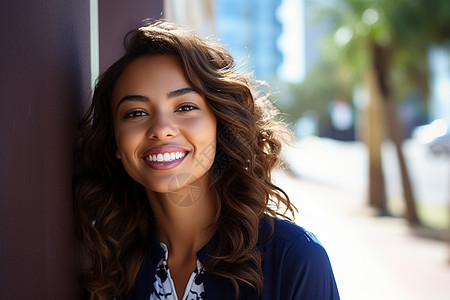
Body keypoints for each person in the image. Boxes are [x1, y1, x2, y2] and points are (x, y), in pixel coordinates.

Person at [74, 20, 340, 300]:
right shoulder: (107, 264)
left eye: (185, 107)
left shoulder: (294, 259)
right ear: (115, 140)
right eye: (136, 113)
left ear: (219, 124)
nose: (161, 129)